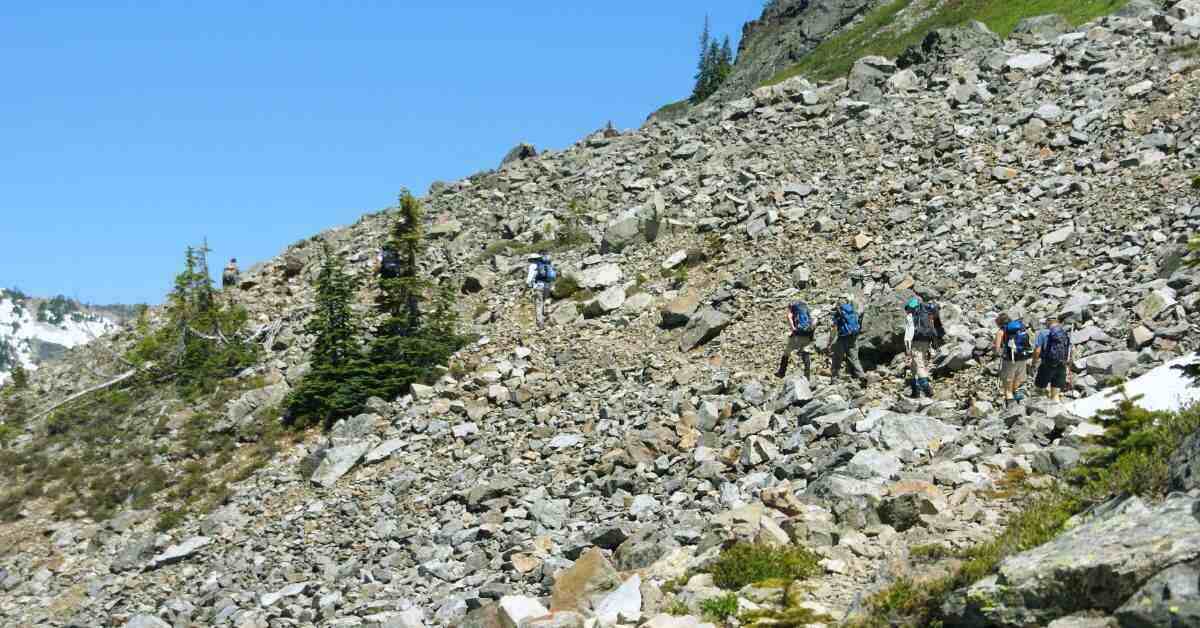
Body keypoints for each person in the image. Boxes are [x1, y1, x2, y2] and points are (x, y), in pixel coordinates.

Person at [904, 297, 945, 398]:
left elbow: (908, 335)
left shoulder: (911, 316)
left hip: (916, 342)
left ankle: (927, 390)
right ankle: (915, 391)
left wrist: (908, 349)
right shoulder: (926, 313)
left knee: (919, 365)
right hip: (926, 340)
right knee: (913, 366)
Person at [994, 313, 1034, 405]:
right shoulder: (1020, 328)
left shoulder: (1001, 331)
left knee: (1008, 387)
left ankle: (1011, 408)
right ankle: (1019, 403)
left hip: (1010, 360)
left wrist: (999, 353)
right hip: (1023, 357)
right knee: (1017, 381)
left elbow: (997, 350)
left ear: (999, 322)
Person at [827, 294, 866, 385]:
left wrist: (829, 342)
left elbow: (834, 328)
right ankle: (862, 376)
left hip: (842, 338)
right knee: (854, 359)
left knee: (837, 359)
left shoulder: (839, 313)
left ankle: (834, 379)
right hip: (853, 337)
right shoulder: (852, 310)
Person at [1033, 315, 1072, 402]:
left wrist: (1034, 363)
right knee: (1055, 393)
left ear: (1048, 322)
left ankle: (1039, 411)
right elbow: (1070, 349)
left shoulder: (1043, 333)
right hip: (1061, 364)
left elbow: (1037, 351)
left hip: (1047, 364)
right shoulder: (1063, 332)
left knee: (1039, 391)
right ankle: (1055, 410)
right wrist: (1068, 364)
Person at [777, 301, 816, 380]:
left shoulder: (792, 307)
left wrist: (793, 329)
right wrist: (811, 331)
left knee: (787, 353)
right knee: (805, 352)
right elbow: (814, 320)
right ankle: (807, 375)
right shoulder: (805, 308)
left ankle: (781, 372)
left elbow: (789, 317)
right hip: (807, 334)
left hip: (797, 334)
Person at [525, 253, 556, 328]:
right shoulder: (546, 265)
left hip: (538, 286)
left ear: (532, 259)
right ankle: (549, 321)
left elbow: (529, 280)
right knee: (545, 303)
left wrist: (524, 290)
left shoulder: (533, 266)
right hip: (547, 286)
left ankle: (540, 324)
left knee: (539, 304)